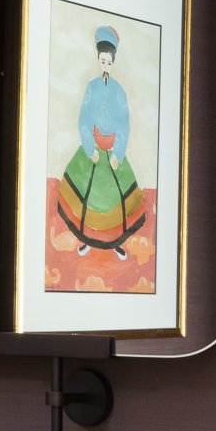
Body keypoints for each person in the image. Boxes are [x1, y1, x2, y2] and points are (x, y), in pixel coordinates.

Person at [55, 24, 145, 261]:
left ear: (113, 63)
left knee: (117, 200)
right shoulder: (91, 88)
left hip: (113, 152)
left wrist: (118, 154)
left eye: (109, 62)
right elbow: (84, 117)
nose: (105, 65)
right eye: (102, 61)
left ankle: (116, 243)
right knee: (88, 196)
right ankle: (87, 240)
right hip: (93, 150)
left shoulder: (119, 92)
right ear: (98, 60)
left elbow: (125, 124)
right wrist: (89, 147)